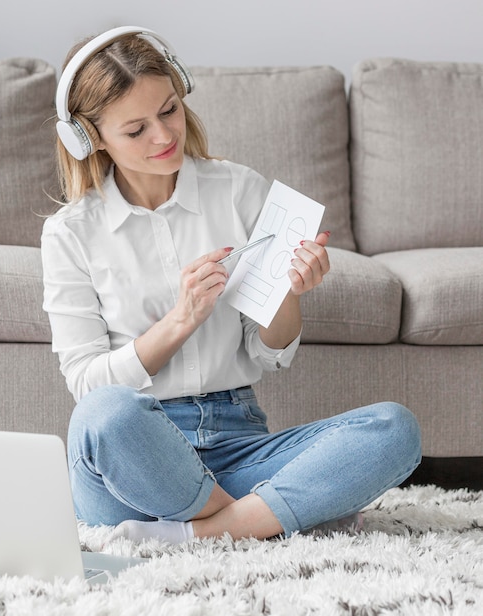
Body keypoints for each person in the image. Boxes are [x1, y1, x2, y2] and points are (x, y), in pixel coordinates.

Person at [41, 26, 422, 545]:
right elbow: (88, 385)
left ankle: (199, 533)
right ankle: (267, 517)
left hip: (237, 445)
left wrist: (287, 291)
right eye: (136, 130)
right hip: (134, 466)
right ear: (89, 138)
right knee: (103, 414)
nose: (164, 136)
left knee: (394, 429)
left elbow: (267, 353)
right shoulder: (70, 233)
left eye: (169, 110)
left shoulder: (240, 190)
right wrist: (182, 320)